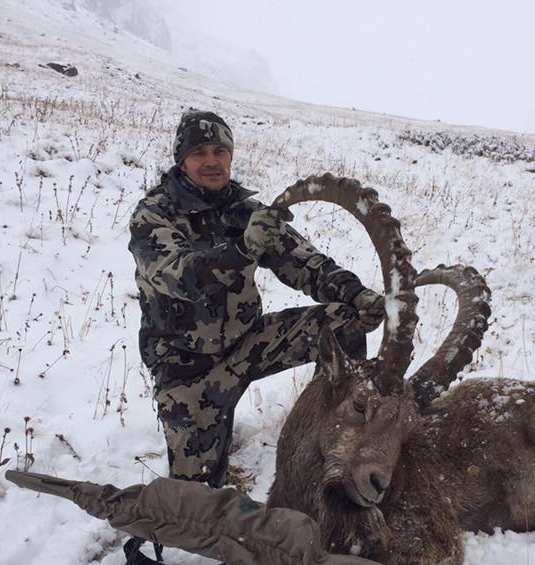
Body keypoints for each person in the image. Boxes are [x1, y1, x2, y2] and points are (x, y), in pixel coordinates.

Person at [129, 110, 385, 488]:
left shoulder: (246, 212)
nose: (212, 161)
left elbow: (303, 263)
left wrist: (355, 292)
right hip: (188, 368)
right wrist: (243, 249)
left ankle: (330, 438)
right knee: (196, 496)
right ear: (182, 160)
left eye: (220, 151)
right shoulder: (154, 215)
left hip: (248, 345)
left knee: (344, 323)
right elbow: (179, 277)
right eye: (199, 153)